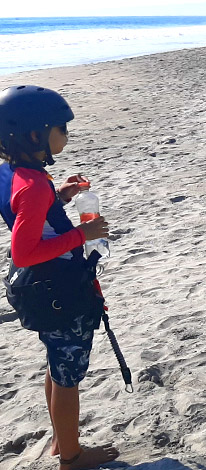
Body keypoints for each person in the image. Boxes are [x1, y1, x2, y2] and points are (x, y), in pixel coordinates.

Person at [0, 85, 119, 469]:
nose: (66, 136)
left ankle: (60, 441)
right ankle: (71, 456)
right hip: (58, 288)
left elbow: (24, 209)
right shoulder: (33, 186)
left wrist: (60, 195)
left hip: (38, 286)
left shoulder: (13, 173)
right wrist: (82, 235)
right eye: (61, 129)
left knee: (57, 364)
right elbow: (25, 249)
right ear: (35, 135)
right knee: (68, 376)